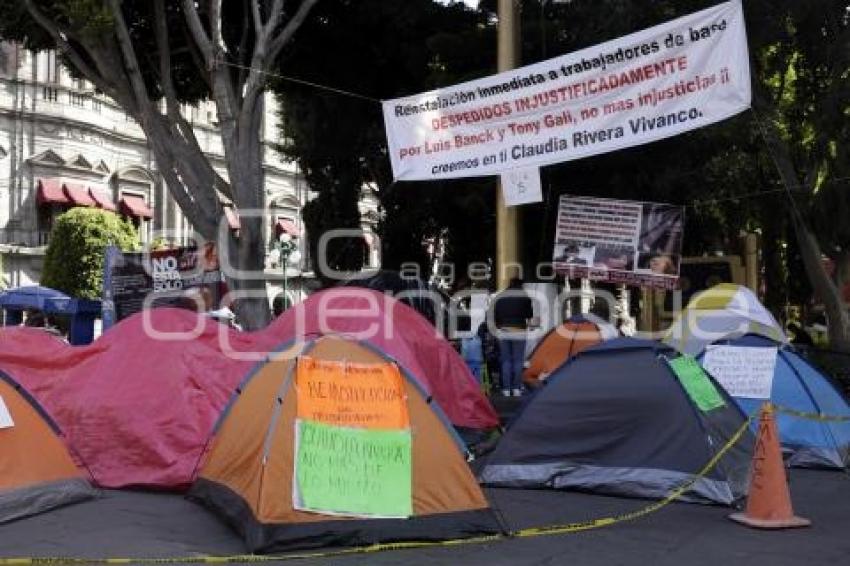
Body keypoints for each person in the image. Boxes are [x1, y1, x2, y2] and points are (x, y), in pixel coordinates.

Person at [491, 277, 533, 397]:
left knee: (506, 360)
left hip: (504, 330)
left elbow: (494, 315)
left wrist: (499, 326)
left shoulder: (500, 297)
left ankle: (506, 389)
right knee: (518, 360)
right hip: (519, 330)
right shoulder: (524, 296)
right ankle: (516, 388)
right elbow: (529, 315)